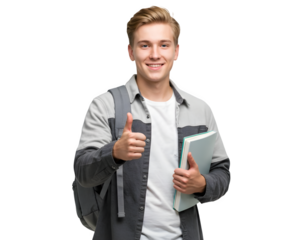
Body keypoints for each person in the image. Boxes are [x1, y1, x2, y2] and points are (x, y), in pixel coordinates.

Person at [74, 5, 231, 240]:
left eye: (164, 45)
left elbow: (223, 172)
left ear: (177, 51)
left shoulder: (201, 110)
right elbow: (83, 172)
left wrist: (201, 184)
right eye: (145, 45)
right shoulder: (103, 105)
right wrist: (114, 153)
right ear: (130, 52)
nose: (155, 54)